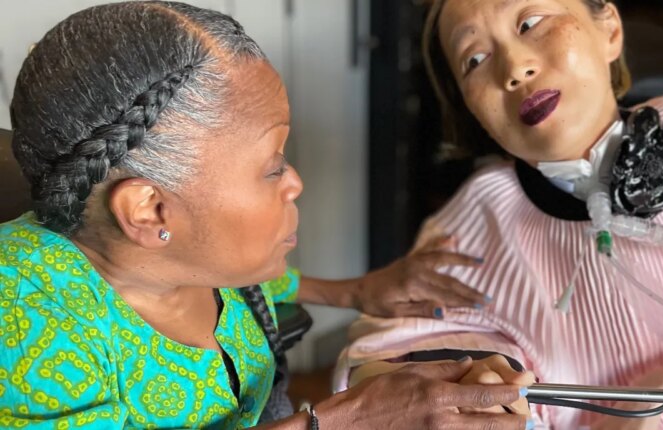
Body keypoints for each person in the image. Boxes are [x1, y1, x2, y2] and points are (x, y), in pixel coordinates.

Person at [0, 2, 536, 429]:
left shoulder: (192, 262)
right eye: (273, 165)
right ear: (149, 210)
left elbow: (263, 286)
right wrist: (344, 420)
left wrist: (354, 291)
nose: (295, 181)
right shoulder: (24, 317)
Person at [336, 0, 663, 429]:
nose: (515, 69)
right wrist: (478, 378)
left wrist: (661, 399)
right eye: (474, 60)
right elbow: (379, 362)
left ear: (609, 29)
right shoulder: (479, 219)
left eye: (530, 23)